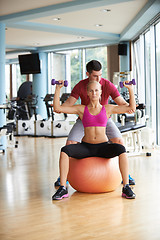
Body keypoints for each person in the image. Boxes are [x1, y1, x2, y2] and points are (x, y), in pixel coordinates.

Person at [54, 60, 135, 187]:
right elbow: (67, 105)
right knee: (70, 143)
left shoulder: (107, 85)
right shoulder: (81, 86)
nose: (99, 78)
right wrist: (60, 102)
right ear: (88, 74)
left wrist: (128, 106)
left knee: (119, 142)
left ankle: (125, 176)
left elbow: (122, 103)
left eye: (100, 75)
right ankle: (66, 176)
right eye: (95, 76)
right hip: (84, 118)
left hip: (103, 117)